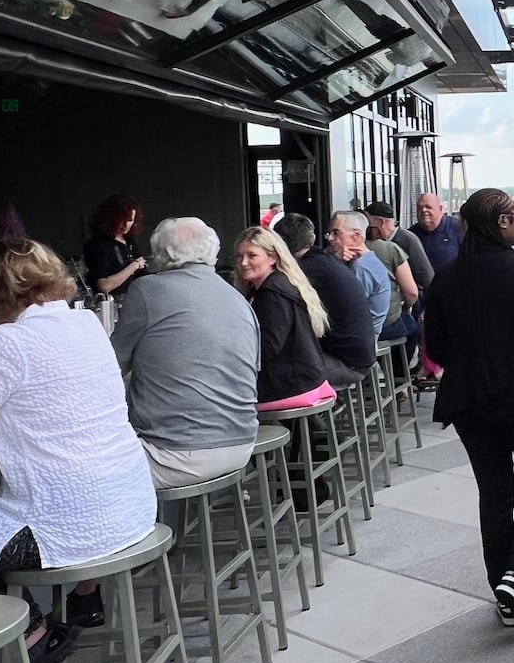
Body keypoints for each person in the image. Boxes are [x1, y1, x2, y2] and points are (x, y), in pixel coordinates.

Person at [0, 239, 156, 663]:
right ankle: (57, 611)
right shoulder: (87, 324)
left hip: (70, 526)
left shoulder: (8, 344)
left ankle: (33, 636)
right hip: (131, 506)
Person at [424, 189, 514, 626]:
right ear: (501, 223)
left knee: (493, 495)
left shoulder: (445, 278)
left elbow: (438, 349)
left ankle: (503, 586)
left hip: (469, 403)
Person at [111, 217, 259, 488]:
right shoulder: (237, 297)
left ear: (160, 254)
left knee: (76, 471)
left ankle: (149, 529)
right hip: (242, 445)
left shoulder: (147, 290)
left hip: (175, 455)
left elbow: (110, 368)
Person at [233, 226, 334, 411]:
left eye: (252, 255)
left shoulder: (271, 292)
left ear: (272, 257)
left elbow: (267, 348)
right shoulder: (280, 282)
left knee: (221, 401)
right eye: (239, 256)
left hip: (291, 385)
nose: (243, 262)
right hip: (305, 378)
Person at [280, 214, 374, 387]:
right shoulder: (324, 261)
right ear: (313, 238)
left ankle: (309, 410)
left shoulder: (300, 271)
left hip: (345, 362)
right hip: (361, 355)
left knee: (276, 368)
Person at [328, 211, 389, 337]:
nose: (330, 238)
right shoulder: (364, 259)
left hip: (355, 340)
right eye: (329, 233)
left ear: (356, 235)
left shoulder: (360, 268)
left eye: (336, 233)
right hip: (354, 333)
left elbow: (340, 308)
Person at [364, 224, 420, 343]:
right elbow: (412, 292)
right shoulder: (390, 248)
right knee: (413, 330)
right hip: (386, 322)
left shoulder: (339, 253)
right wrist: (405, 307)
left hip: (356, 327)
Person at [364, 200, 433, 295]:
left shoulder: (408, 240)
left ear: (380, 223)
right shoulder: (378, 243)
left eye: (368, 223)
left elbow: (426, 277)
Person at [84, 193, 147, 295]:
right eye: (122, 220)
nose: (126, 225)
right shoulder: (98, 245)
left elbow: (141, 274)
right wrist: (134, 265)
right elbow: (104, 286)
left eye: (130, 220)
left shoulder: (130, 240)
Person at [409, 192, 461, 273]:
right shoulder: (411, 235)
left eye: (428, 207)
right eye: (420, 208)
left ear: (440, 209)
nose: (423, 210)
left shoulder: (458, 228)